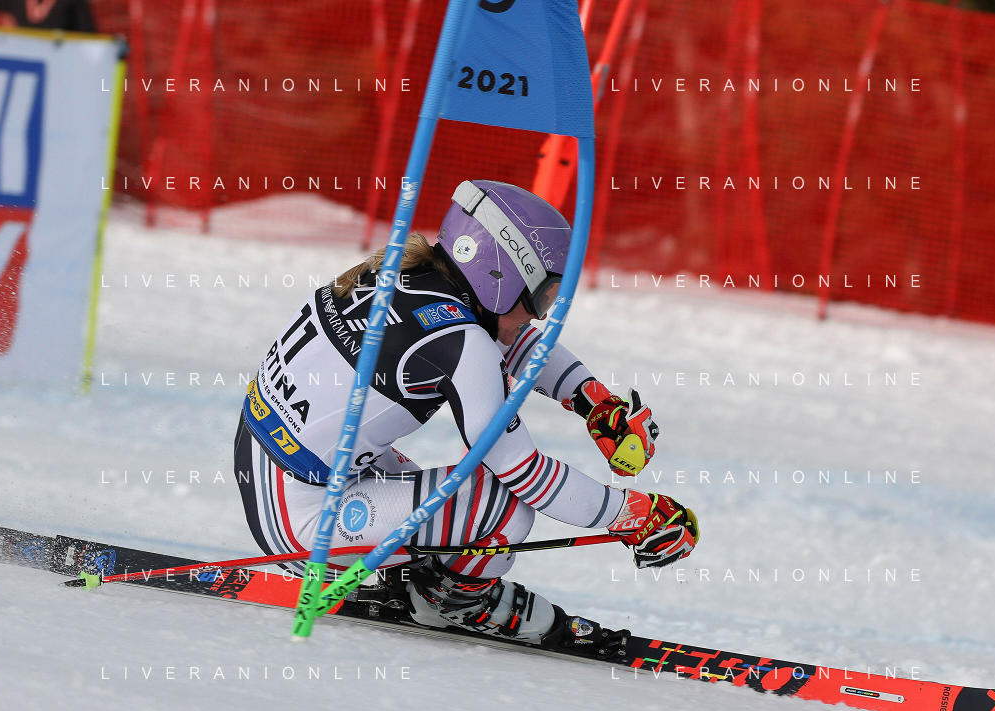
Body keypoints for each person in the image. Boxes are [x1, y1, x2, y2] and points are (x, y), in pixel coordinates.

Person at [234, 180, 698, 655]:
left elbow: (513, 341)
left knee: (452, 509)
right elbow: (526, 473)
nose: (540, 316)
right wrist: (632, 514)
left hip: (266, 462)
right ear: (500, 278)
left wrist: (592, 400)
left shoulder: (408, 276)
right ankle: (450, 603)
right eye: (542, 297)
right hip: (303, 524)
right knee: (501, 507)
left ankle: (418, 578)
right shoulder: (463, 342)